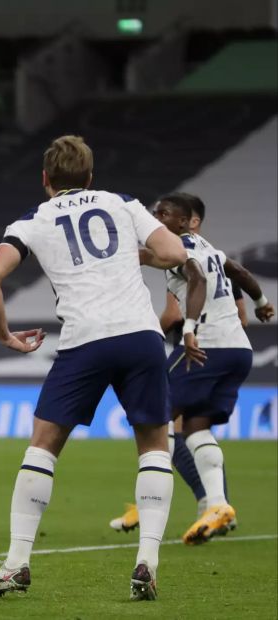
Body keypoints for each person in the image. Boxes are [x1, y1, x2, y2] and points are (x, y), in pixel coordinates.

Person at [0, 136, 191, 601]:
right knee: (155, 446)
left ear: (46, 179)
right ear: (91, 177)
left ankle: (16, 563)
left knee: (43, 446)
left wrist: (4, 335)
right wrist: (135, 255)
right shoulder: (121, 202)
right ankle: (147, 562)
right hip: (139, 336)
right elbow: (175, 254)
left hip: (84, 342)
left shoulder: (33, 219)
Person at [113, 193, 274, 545]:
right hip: (238, 352)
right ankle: (216, 505)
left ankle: (149, 502)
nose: (157, 217)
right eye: (156, 212)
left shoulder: (181, 251)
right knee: (197, 427)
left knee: (156, 416)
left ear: (186, 222)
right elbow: (242, 273)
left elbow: (196, 278)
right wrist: (262, 303)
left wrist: (188, 329)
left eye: (164, 213)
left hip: (206, 346)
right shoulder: (212, 249)